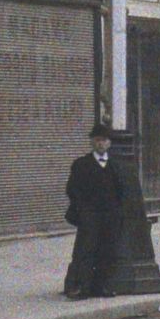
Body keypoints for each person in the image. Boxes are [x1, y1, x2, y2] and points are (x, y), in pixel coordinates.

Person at [63, 120, 124, 299]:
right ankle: (81, 287)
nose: (100, 144)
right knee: (85, 251)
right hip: (89, 216)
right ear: (92, 142)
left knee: (107, 251)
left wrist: (117, 212)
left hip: (109, 217)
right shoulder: (81, 164)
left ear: (109, 143)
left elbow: (121, 191)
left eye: (104, 140)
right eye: (97, 140)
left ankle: (101, 286)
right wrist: (83, 211)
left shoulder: (116, 165)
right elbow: (72, 189)